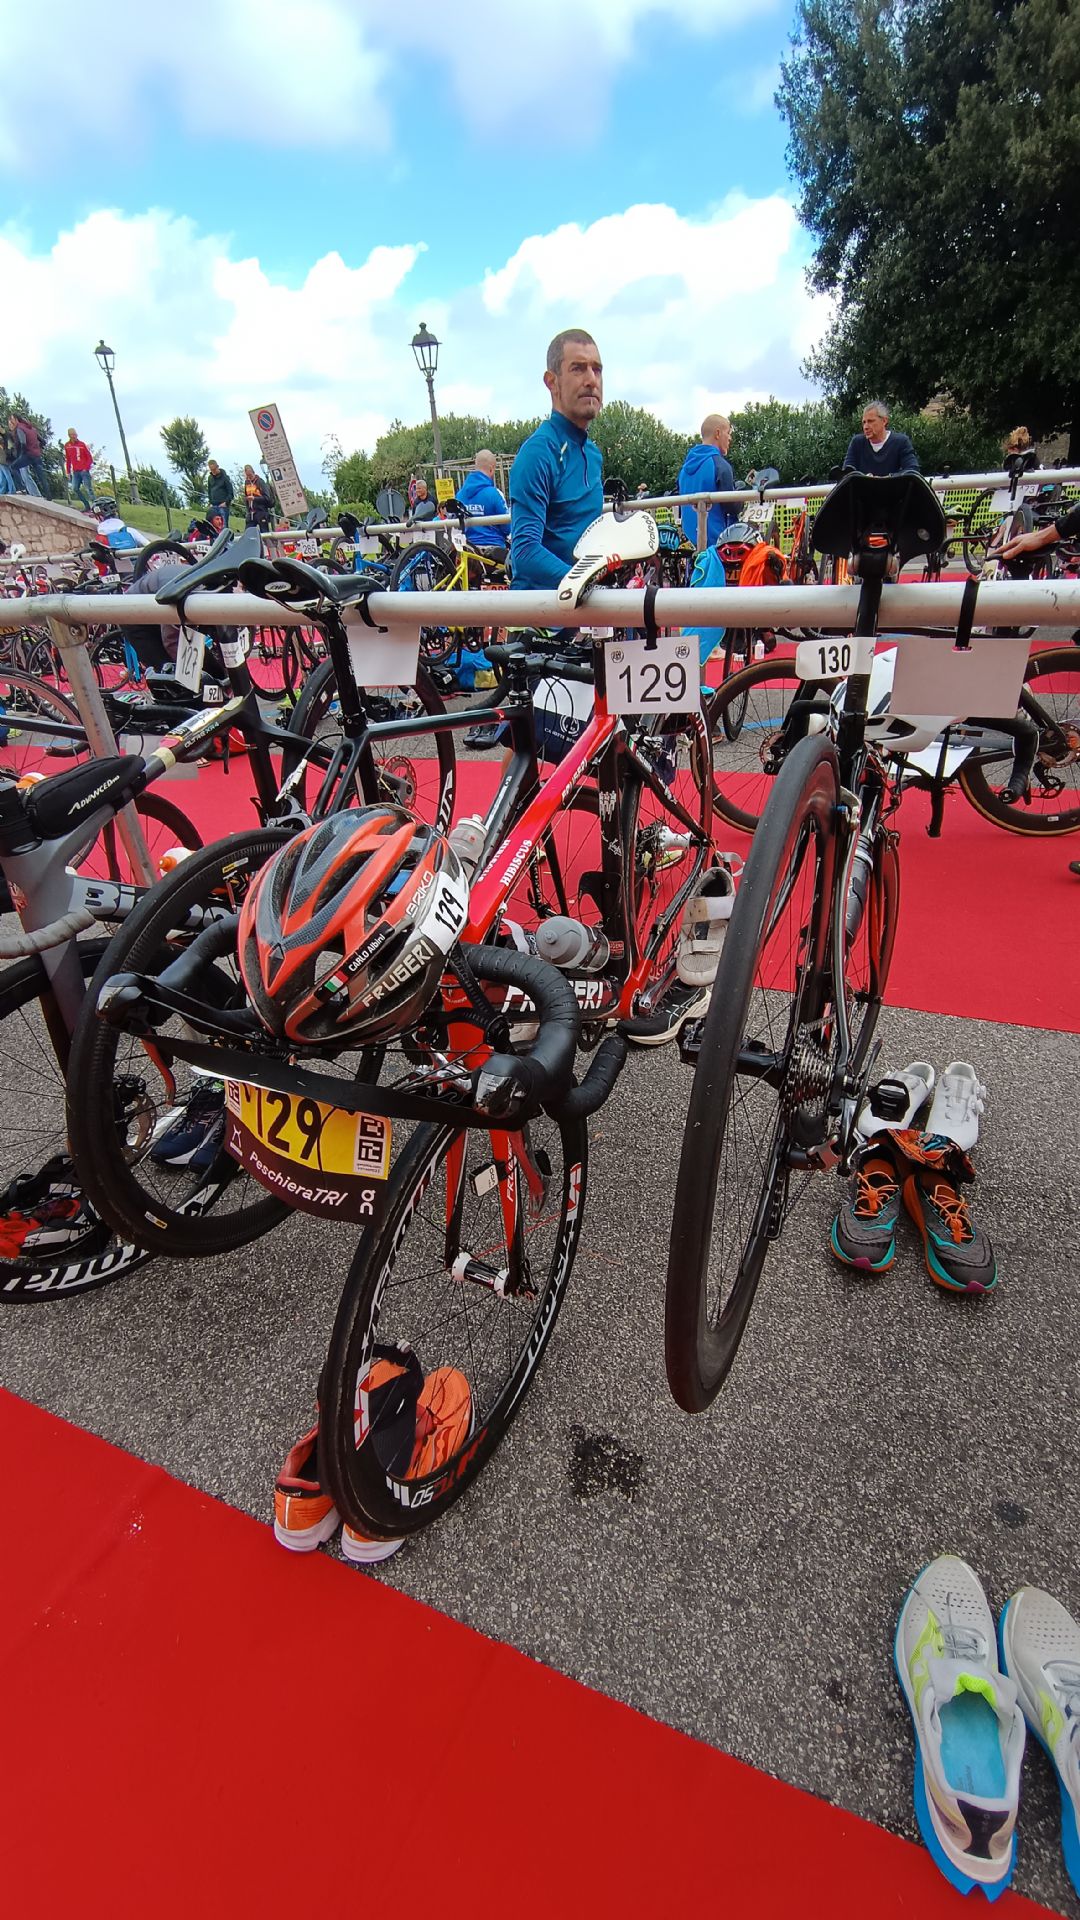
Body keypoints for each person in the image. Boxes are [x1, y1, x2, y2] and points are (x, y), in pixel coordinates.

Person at [508, 329, 604, 588]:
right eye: (578, 368)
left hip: (580, 603)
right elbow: (524, 551)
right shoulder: (538, 452)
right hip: (539, 608)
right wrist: (585, 583)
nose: (591, 380)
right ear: (552, 382)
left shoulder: (592, 454)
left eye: (597, 369)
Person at [677, 414, 737, 547]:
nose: (730, 438)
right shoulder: (720, 465)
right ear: (718, 433)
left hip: (690, 543)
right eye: (728, 433)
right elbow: (732, 507)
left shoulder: (684, 469)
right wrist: (741, 499)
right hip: (716, 545)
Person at [843, 401, 920, 476]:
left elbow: (912, 470)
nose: (866, 427)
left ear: (884, 421)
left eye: (870, 421)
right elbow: (846, 473)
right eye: (864, 422)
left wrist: (887, 478)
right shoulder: (857, 443)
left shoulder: (901, 442)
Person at [455, 450, 507, 554]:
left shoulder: (459, 495)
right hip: (494, 551)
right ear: (491, 469)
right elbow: (507, 528)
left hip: (468, 551)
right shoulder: (495, 494)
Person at [7, 415, 49, 497]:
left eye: (12, 423)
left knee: (22, 473)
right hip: (34, 455)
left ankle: (27, 491)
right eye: (10, 424)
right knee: (39, 475)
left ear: (17, 421)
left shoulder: (20, 429)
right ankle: (47, 494)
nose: (11, 425)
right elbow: (43, 442)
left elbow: (23, 443)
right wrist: (37, 449)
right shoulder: (31, 429)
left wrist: (22, 454)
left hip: (26, 455)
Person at [63, 429, 95, 509]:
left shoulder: (82, 444)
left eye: (75, 434)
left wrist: (86, 468)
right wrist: (68, 472)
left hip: (84, 470)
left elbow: (90, 458)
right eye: (72, 435)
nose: (74, 436)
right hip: (75, 471)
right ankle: (86, 505)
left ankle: (95, 506)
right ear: (69, 435)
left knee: (88, 489)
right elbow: (68, 460)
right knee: (75, 488)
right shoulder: (67, 445)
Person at [242, 464, 273, 529]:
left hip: (261, 511)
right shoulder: (246, 483)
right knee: (248, 532)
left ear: (253, 473)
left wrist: (254, 498)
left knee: (264, 532)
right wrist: (246, 501)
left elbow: (267, 498)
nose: (249, 478)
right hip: (251, 512)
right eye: (247, 476)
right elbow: (246, 495)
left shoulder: (260, 482)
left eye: (250, 475)